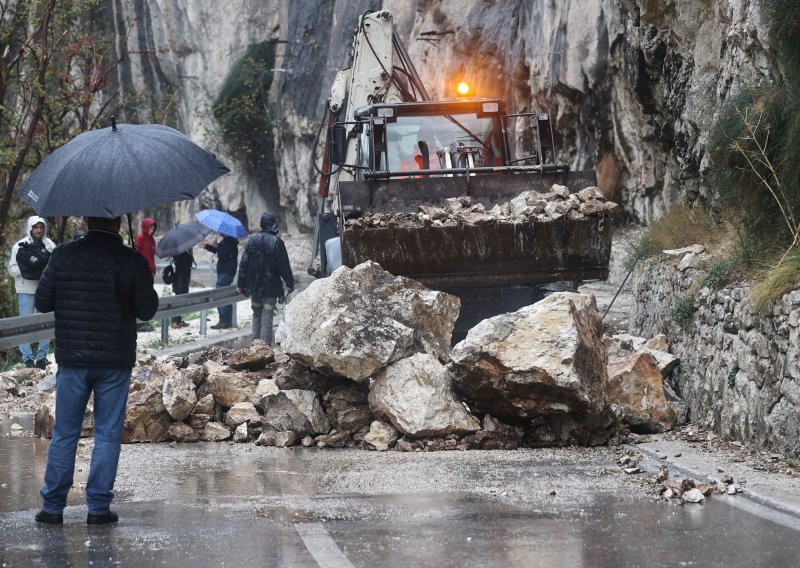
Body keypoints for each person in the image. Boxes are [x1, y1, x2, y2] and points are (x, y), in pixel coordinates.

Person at [33, 216, 158, 525]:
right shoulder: (131, 260)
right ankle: (99, 508)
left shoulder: (62, 254)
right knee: (107, 434)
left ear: (87, 220)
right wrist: (142, 272)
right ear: (118, 222)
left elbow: (42, 300)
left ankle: (52, 507)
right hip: (114, 362)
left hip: (73, 359)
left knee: (65, 433)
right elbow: (147, 310)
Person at [236, 213, 294, 346]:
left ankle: (255, 344)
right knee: (267, 316)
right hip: (271, 287)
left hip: (254, 287)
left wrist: (240, 284)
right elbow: (283, 266)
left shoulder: (252, 240)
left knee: (256, 315)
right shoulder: (277, 242)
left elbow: (244, 263)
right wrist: (290, 284)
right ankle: (264, 348)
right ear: (273, 224)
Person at [7, 216, 57, 369]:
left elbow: (56, 264)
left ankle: (41, 358)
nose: (38, 230)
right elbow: (11, 269)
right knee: (24, 325)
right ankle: (27, 359)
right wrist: (27, 270)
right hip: (25, 290)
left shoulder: (49, 245)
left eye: (41, 227)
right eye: (35, 227)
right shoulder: (20, 246)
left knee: (46, 323)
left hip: (45, 290)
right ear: (30, 228)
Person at [203, 233, 239, 329]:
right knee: (225, 295)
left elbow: (223, 254)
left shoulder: (229, 241)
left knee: (220, 295)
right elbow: (220, 251)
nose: (219, 232)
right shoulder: (227, 240)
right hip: (226, 271)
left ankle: (224, 321)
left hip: (226, 272)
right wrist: (208, 246)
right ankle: (226, 320)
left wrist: (216, 246)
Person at [133, 217, 157, 332]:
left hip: (150, 271)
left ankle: (145, 321)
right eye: (150, 227)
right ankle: (139, 323)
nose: (152, 230)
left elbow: (151, 256)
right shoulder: (140, 238)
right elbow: (137, 255)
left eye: (153, 228)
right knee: (140, 296)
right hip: (142, 272)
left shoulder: (152, 240)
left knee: (148, 297)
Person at [170, 248, 194, 328]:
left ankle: (178, 320)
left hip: (181, 281)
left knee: (179, 300)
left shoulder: (179, 254)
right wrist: (191, 252)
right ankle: (175, 321)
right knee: (178, 301)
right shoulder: (183, 255)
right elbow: (189, 263)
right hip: (181, 281)